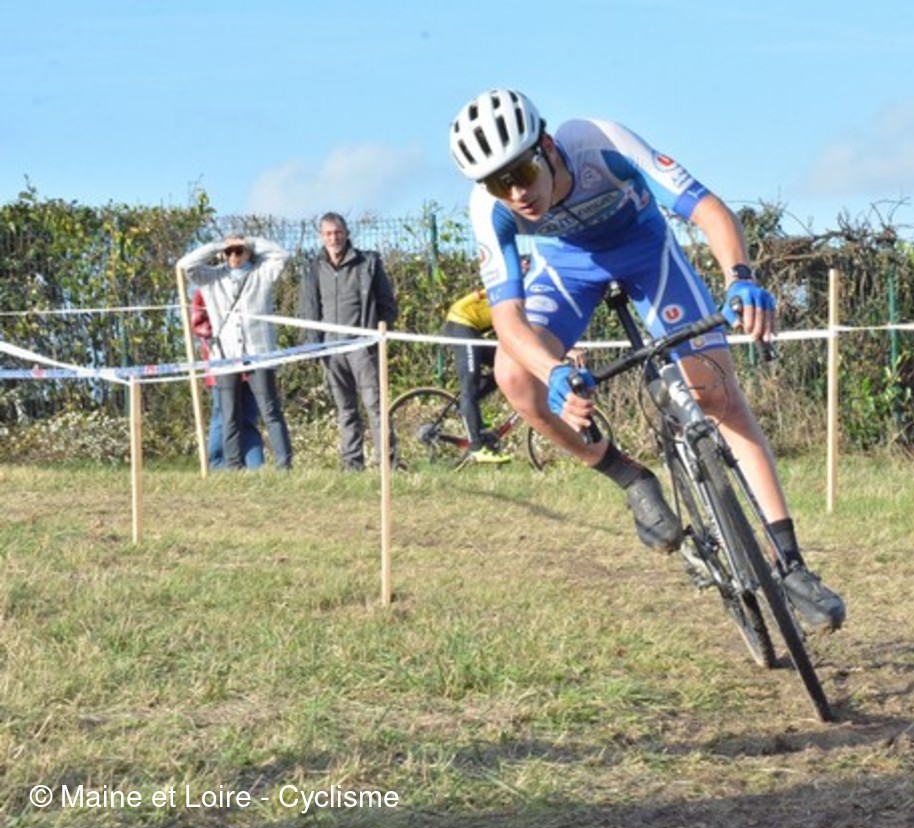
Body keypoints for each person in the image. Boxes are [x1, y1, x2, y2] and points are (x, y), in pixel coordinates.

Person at [448, 89, 845, 633]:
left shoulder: (597, 144)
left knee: (715, 394)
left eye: (522, 171)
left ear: (547, 145)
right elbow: (509, 320)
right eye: (499, 183)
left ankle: (790, 564)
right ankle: (630, 478)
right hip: (567, 272)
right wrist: (554, 372)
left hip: (646, 252)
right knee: (513, 376)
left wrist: (740, 279)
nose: (516, 192)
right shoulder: (489, 209)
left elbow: (709, 210)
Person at [177, 234, 293, 470]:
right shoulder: (211, 278)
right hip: (225, 356)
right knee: (229, 414)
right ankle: (233, 467)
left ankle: (284, 466)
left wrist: (250, 241)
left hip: (259, 354)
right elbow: (185, 264)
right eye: (229, 252)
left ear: (248, 252)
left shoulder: (262, 273)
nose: (234, 256)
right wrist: (218, 245)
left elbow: (282, 255)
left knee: (270, 411)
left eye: (239, 250)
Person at [299, 213, 399, 471]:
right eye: (329, 233)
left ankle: (388, 464)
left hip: (362, 348)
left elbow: (388, 304)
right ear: (321, 237)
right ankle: (352, 465)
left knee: (375, 406)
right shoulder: (313, 268)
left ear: (346, 233)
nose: (334, 238)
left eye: (338, 232)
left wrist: (378, 334)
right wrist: (313, 345)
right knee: (345, 409)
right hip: (330, 350)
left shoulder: (368, 263)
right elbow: (309, 309)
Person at [192, 288, 264, 469]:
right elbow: (200, 323)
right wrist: (224, 335)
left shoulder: (250, 284)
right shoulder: (208, 287)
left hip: (251, 361)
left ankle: (255, 467)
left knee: (249, 417)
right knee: (224, 416)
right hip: (222, 362)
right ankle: (219, 465)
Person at [444, 285, 511, 464]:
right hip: (461, 323)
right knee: (470, 384)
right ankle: (477, 448)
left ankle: (466, 407)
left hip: (472, 328)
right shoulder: (519, 292)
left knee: (507, 366)